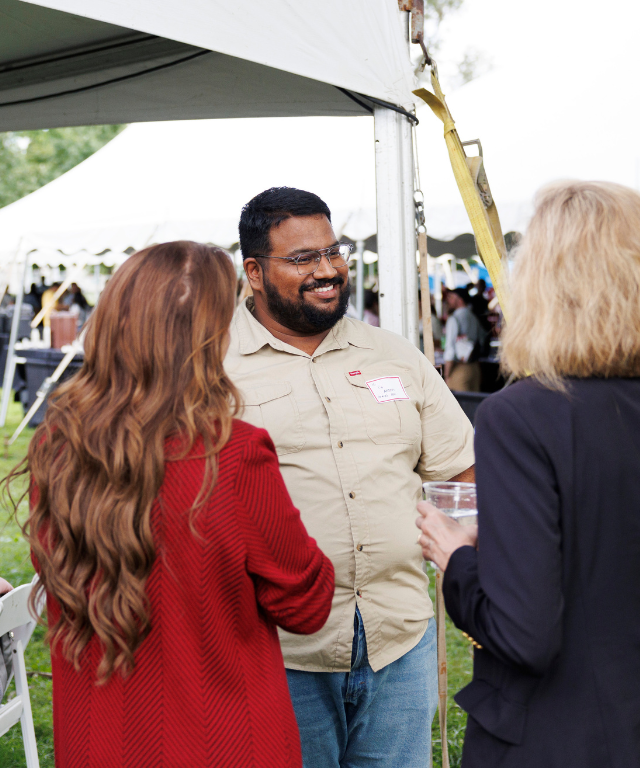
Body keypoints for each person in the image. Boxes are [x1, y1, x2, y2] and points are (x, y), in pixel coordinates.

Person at [416, 181, 640, 768]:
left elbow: (523, 632)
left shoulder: (518, 416)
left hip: (550, 741)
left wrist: (458, 559)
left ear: (542, 289)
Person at [7, 241, 334, 768]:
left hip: (98, 741)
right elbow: (307, 604)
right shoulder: (234, 454)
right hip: (221, 742)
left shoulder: (57, 447)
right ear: (208, 337)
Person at [225, 187, 475, 768]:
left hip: (399, 639)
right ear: (255, 273)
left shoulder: (395, 356)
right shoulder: (212, 368)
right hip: (278, 648)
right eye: (303, 258)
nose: (328, 270)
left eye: (332, 252)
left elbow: (460, 473)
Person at [443, 286, 485, 392]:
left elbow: (450, 349)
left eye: (451, 297)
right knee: (473, 405)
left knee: (460, 406)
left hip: (459, 368)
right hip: (475, 368)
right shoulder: (474, 317)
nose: (448, 300)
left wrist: (447, 375)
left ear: (460, 300)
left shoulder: (454, 319)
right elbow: (482, 338)